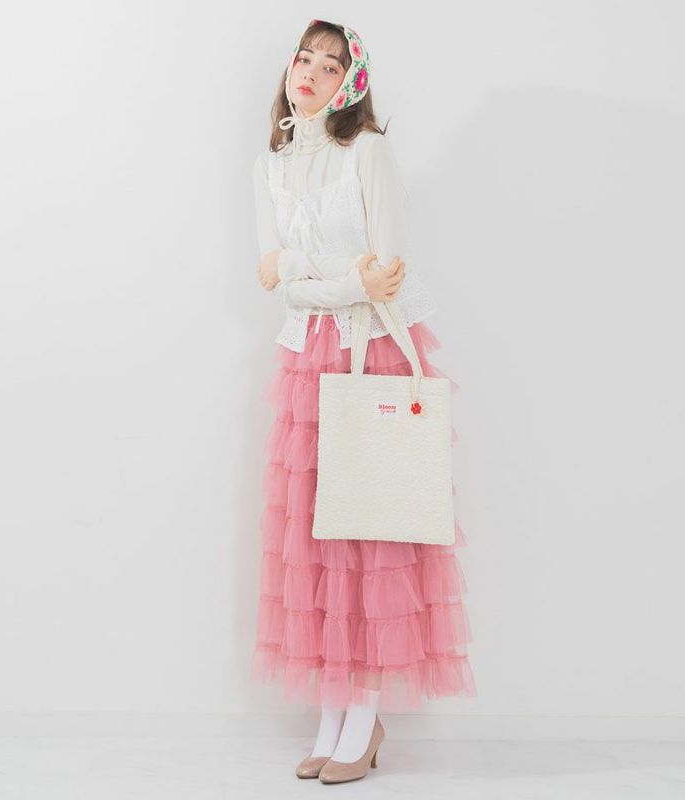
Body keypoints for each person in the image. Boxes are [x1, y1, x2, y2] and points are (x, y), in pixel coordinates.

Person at [250, 19, 477, 783]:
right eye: (304, 58)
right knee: (316, 539)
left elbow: (389, 275)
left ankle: (363, 712)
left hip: (369, 350)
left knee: (370, 525)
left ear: (351, 81)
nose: (311, 72)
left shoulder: (367, 151)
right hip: (303, 359)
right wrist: (337, 278)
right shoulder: (272, 164)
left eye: (330, 63)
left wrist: (310, 274)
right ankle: (335, 709)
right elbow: (273, 279)